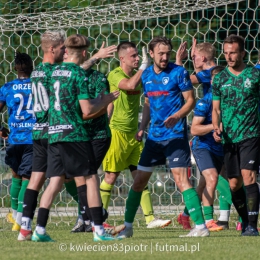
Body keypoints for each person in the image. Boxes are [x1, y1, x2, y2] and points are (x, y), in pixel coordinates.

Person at [17, 30, 117, 241]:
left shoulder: (44, 72)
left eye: (65, 48)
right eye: (60, 48)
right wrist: (106, 100)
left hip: (48, 132)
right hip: (72, 132)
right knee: (89, 177)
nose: (63, 51)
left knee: (50, 181)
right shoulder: (75, 73)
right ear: (82, 52)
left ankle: (34, 229)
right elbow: (87, 109)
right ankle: (97, 228)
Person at [118, 36, 209, 238]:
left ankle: (201, 227)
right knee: (139, 181)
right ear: (151, 54)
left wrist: (177, 116)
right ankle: (128, 227)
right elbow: (149, 103)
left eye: (167, 53)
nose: (165, 57)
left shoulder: (179, 72)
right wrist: (142, 127)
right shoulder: (146, 75)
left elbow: (190, 100)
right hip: (154, 138)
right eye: (160, 53)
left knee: (180, 179)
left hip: (175, 136)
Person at [100, 41, 171, 228]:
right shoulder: (115, 75)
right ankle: (99, 220)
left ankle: (150, 219)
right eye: (134, 56)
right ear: (121, 58)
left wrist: (142, 126)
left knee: (141, 176)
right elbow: (130, 85)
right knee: (110, 177)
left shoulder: (141, 76)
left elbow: (147, 101)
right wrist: (143, 68)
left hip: (134, 135)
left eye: (138, 55)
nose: (138, 58)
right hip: (117, 133)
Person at [176, 42, 233, 230]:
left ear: (204, 57)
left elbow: (182, 79)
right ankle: (214, 219)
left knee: (212, 179)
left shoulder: (210, 74)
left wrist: (178, 61)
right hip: (209, 129)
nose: (193, 59)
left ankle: (187, 214)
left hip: (218, 128)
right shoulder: (211, 79)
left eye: (195, 57)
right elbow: (185, 79)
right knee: (215, 178)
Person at [212, 34, 260, 236]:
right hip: (229, 138)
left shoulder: (254, 76)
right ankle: (245, 221)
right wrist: (216, 126)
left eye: (233, 52)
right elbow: (216, 109)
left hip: (251, 134)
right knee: (234, 183)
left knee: (248, 176)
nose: (229, 57)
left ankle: (251, 226)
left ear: (242, 53)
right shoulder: (220, 79)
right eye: (226, 53)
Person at [0, 52, 35, 231]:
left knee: (15, 177)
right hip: (33, 138)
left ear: (15, 68)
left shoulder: (7, 87)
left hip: (14, 139)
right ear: (32, 67)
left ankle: (15, 217)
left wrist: (1, 129)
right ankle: (21, 221)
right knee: (27, 178)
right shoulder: (38, 86)